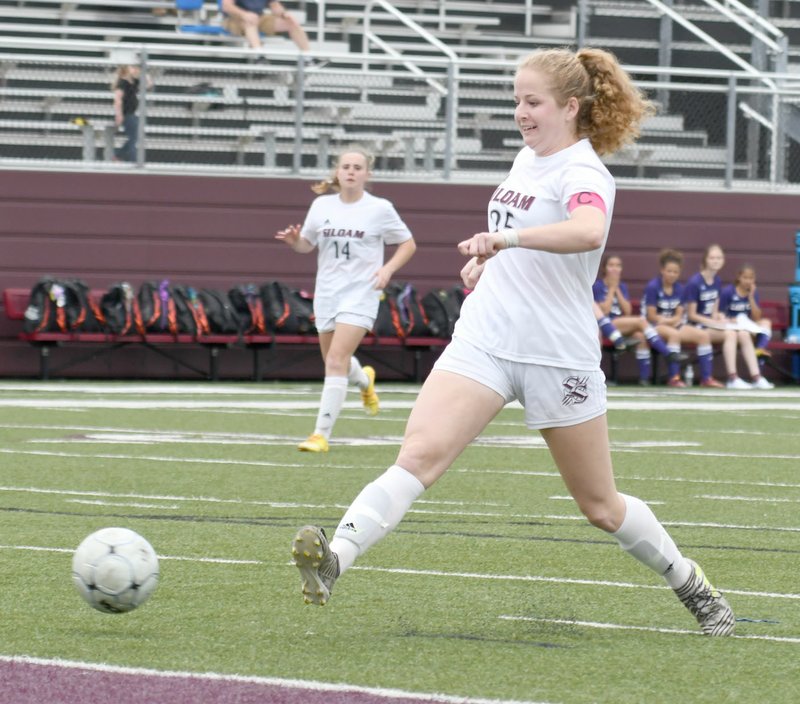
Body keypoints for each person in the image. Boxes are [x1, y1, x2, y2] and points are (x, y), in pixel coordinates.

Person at [291, 48, 735, 636]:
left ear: (570, 106)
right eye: (516, 100)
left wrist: (507, 243)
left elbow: (587, 230)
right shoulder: (527, 158)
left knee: (600, 506)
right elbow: (514, 242)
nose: (521, 112)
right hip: (487, 337)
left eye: (533, 102)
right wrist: (488, 265)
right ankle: (333, 561)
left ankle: (691, 585)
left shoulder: (584, 172)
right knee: (418, 456)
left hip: (557, 353)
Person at [276, 147, 418, 453]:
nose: (351, 171)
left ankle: (320, 434)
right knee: (333, 360)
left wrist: (388, 269)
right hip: (328, 291)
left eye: (357, 167)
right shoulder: (321, 205)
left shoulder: (379, 208)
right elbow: (307, 245)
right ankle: (365, 381)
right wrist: (294, 242)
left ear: (368, 174)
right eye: (346, 166)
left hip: (361, 292)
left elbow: (408, 243)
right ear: (337, 172)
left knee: (336, 360)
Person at [593, 253, 685, 385]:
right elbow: (604, 311)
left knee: (640, 335)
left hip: (621, 323)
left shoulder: (622, 286)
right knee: (641, 321)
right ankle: (667, 353)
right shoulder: (598, 286)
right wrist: (612, 288)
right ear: (604, 268)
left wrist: (617, 289)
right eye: (611, 265)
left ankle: (643, 379)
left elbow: (627, 310)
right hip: (606, 326)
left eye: (618, 266)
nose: (615, 269)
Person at [642, 248, 723, 388]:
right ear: (662, 270)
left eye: (676, 272)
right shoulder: (653, 287)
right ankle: (674, 378)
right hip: (654, 326)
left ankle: (706, 379)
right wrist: (669, 320)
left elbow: (679, 315)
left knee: (703, 336)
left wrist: (669, 320)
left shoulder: (680, 288)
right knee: (674, 335)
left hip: (673, 324)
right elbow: (652, 316)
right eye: (669, 271)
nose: (672, 275)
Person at [683, 244, 750, 389]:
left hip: (709, 324)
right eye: (712, 257)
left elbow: (714, 308)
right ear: (705, 260)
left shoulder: (717, 280)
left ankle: (740, 378)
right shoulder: (695, 282)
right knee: (730, 334)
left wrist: (719, 317)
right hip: (693, 326)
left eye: (719, 258)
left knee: (737, 332)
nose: (716, 261)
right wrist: (712, 322)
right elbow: (692, 315)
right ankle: (730, 377)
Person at [719, 264, 775, 389]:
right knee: (742, 334)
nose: (748, 281)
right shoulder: (728, 292)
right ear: (739, 277)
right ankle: (735, 378)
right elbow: (719, 313)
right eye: (745, 278)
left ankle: (759, 355)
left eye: (751, 278)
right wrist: (729, 320)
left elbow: (757, 317)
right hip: (731, 327)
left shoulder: (753, 293)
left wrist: (751, 298)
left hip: (746, 326)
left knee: (765, 323)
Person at [221, 0, 323, 65]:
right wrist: (244, 14)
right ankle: (259, 56)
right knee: (250, 21)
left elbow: (275, 5)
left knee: (291, 23)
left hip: (259, 17)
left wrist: (284, 14)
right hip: (234, 18)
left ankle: (308, 58)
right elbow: (226, 6)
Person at [112, 64, 151, 163]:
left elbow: (148, 85)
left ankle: (118, 155)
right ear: (126, 69)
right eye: (132, 67)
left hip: (132, 113)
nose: (135, 69)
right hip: (126, 114)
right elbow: (118, 99)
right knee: (134, 137)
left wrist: (144, 74)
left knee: (135, 137)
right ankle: (133, 160)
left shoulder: (133, 82)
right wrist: (119, 114)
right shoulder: (122, 83)